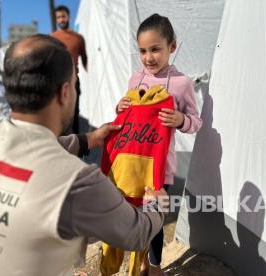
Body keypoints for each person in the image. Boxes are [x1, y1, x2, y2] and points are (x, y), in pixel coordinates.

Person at [0, 34, 167, 276]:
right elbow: (137, 233)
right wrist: (157, 203)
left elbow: (29, 151)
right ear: (64, 92)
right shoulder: (77, 183)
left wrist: (88, 140)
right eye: (75, 83)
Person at [112, 14, 203, 276]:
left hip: (159, 170)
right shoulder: (135, 79)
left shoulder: (181, 83)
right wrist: (120, 106)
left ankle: (153, 267)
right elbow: (126, 116)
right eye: (142, 51)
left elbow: (197, 122)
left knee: (154, 219)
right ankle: (137, 260)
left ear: (171, 47)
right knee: (132, 216)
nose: (148, 57)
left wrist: (180, 119)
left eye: (155, 49)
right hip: (132, 165)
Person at [51, 5, 88, 134]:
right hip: (57, 82)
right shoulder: (52, 38)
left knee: (74, 113)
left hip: (73, 81)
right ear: (56, 20)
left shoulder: (78, 38)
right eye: (58, 17)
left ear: (68, 17)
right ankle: (59, 143)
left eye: (63, 16)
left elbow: (85, 59)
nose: (61, 20)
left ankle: (76, 145)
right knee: (58, 112)